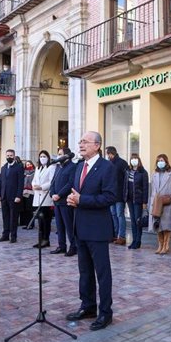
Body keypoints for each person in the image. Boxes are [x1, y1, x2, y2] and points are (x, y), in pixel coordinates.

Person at [65, 131, 117, 331]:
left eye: (85, 142)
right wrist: (72, 200)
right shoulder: (79, 167)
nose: (81, 144)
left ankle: (105, 313)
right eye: (80, 141)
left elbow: (110, 197)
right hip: (80, 227)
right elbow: (76, 192)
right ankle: (87, 306)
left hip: (97, 229)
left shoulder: (107, 167)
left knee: (102, 273)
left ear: (97, 145)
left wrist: (81, 200)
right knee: (84, 271)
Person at [51, 147, 77, 256]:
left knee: (69, 225)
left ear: (66, 155)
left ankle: (73, 246)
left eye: (60, 154)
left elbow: (70, 183)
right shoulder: (58, 167)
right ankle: (61, 246)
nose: (58, 156)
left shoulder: (72, 167)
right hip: (56, 202)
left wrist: (59, 195)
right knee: (59, 225)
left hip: (65, 201)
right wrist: (52, 194)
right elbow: (53, 181)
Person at [148, 154, 171, 254]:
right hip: (156, 202)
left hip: (167, 201)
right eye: (159, 160)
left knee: (166, 225)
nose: (160, 162)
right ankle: (160, 245)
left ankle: (166, 245)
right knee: (158, 224)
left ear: (166, 161)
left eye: (162, 160)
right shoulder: (154, 173)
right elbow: (152, 189)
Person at [0, 149, 24, 243]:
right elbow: (1, 182)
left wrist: (18, 196)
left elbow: (21, 183)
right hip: (4, 196)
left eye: (11, 155)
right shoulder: (3, 167)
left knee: (13, 218)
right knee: (5, 217)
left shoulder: (19, 167)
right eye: (8, 155)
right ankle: (5, 235)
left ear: (14, 156)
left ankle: (13, 236)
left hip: (14, 197)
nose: (9, 157)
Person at [32, 150, 56, 248]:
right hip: (37, 197)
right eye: (41, 156)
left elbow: (52, 181)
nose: (42, 158)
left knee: (46, 221)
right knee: (40, 221)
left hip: (46, 198)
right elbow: (34, 180)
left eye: (44, 156)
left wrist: (42, 187)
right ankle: (41, 239)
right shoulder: (38, 168)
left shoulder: (51, 168)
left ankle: (46, 239)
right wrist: (34, 186)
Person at [105, 146, 128, 246]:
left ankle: (121, 236)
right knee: (113, 215)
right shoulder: (108, 163)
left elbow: (126, 180)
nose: (107, 156)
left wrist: (125, 194)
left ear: (111, 153)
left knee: (119, 215)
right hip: (111, 194)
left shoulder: (122, 163)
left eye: (107, 154)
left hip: (120, 194)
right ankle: (114, 235)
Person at [125, 153, 149, 250]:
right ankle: (134, 240)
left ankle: (138, 241)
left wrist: (144, 202)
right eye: (132, 159)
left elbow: (145, 188)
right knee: (132, 221)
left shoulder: (143, 172)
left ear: (138, 160)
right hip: (129, 199)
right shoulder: (127, 171)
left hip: (138, 200)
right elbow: (125, 186)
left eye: (135, 158)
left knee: (137, 220)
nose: (133, 160)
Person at [21, 160, 35, 229]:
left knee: (30, 209)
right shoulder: (24, 173)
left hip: (31, 192)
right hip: (24, 193)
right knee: (26, 209)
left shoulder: (34, 172)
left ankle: (31, 224)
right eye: (27, 164)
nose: (28, 165)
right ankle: (26, 224)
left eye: (29, 164)